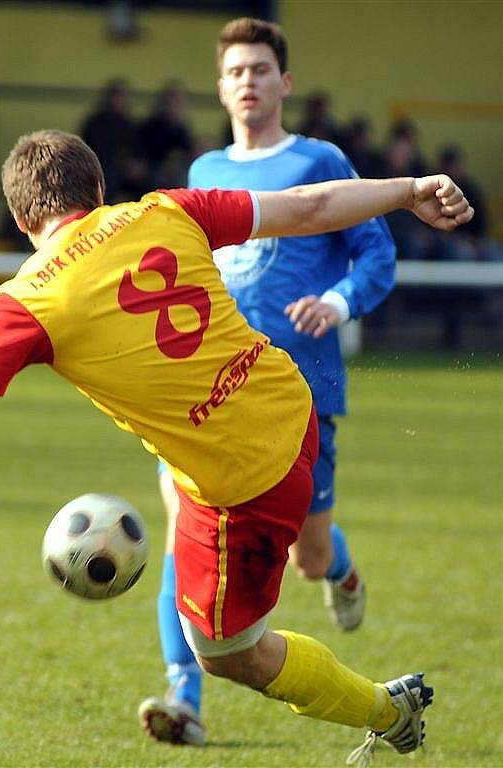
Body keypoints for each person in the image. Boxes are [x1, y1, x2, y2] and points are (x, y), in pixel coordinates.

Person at [0, 129, 472, 766]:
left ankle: (389, 709)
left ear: (21, 221)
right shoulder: (164, 209)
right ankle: (282, 600)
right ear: (99, 192)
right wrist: (408, 191)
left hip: (245, 486)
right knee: (183, 499)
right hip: (291, 408)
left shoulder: (26, 302)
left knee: (229, 653)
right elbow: (311, 208)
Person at [139, 17, 396, 747]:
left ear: (284, 82)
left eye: (259, 69)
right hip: (209, 399)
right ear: (220, 88)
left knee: (303, 555)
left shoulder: (321, 162)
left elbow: (377, 254)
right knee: (177, 531)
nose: (246, 80)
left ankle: (338, 569)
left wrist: (338, 302)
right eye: (234, 71)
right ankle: (181, 692)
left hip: (301, 397)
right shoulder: (202, 175)